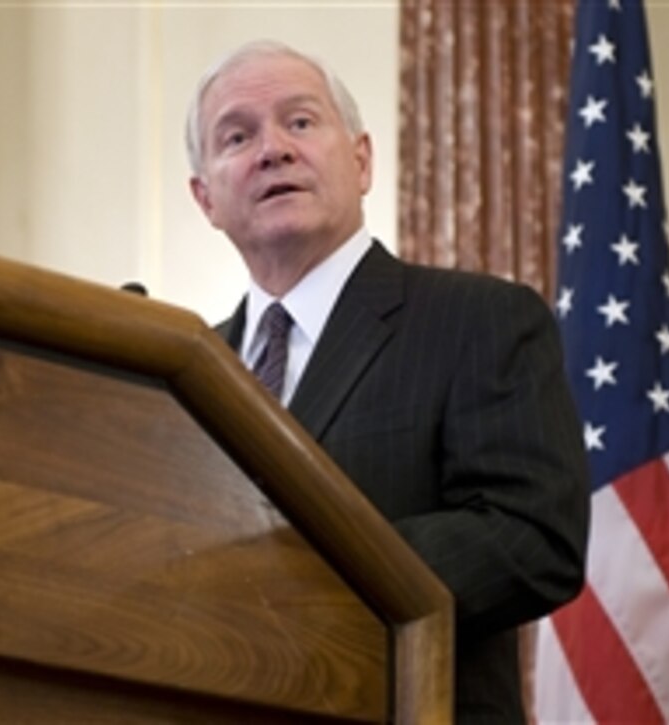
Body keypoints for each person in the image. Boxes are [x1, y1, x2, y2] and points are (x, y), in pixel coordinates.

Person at [186, 40, 590, 723]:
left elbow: (533, 536)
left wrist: (293, 577)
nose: (273, 149)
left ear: (362, 161)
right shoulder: (189, 372)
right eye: (237, 135)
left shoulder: (479, 319)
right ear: (206, 199)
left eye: (302, 121)